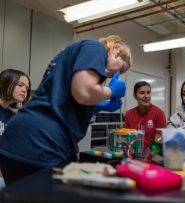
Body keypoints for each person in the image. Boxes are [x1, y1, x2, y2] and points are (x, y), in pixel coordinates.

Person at [0, 35, 132, 185]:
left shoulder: (73, 55)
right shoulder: (96, 48)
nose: (116, 75)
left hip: (19, 141)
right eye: (121, 69)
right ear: (118, 53)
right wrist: (112, 91)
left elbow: (62, 99)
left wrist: (96, 106)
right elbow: (83, 92)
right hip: (41, 142)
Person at [0, 69, 31, 136]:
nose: (24, 90)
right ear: (2, 84)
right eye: (20, 85)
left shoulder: (13, 117)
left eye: (27, 88)